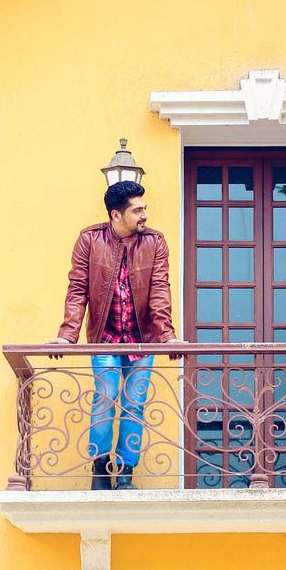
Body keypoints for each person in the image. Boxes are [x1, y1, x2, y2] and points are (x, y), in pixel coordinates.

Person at [51, 180, 180, 490]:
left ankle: (124, 472)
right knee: (106, 393)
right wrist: (68, 335)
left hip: (141, 338)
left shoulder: (155, 242)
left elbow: (160, 290)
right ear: (116, 215)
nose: (144, 215)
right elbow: (78, 288)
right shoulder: (89, 239)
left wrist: (167, 336)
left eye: (144, 208)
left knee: (135, 402)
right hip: (105, 337)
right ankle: (100, 466)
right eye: (137, 210)